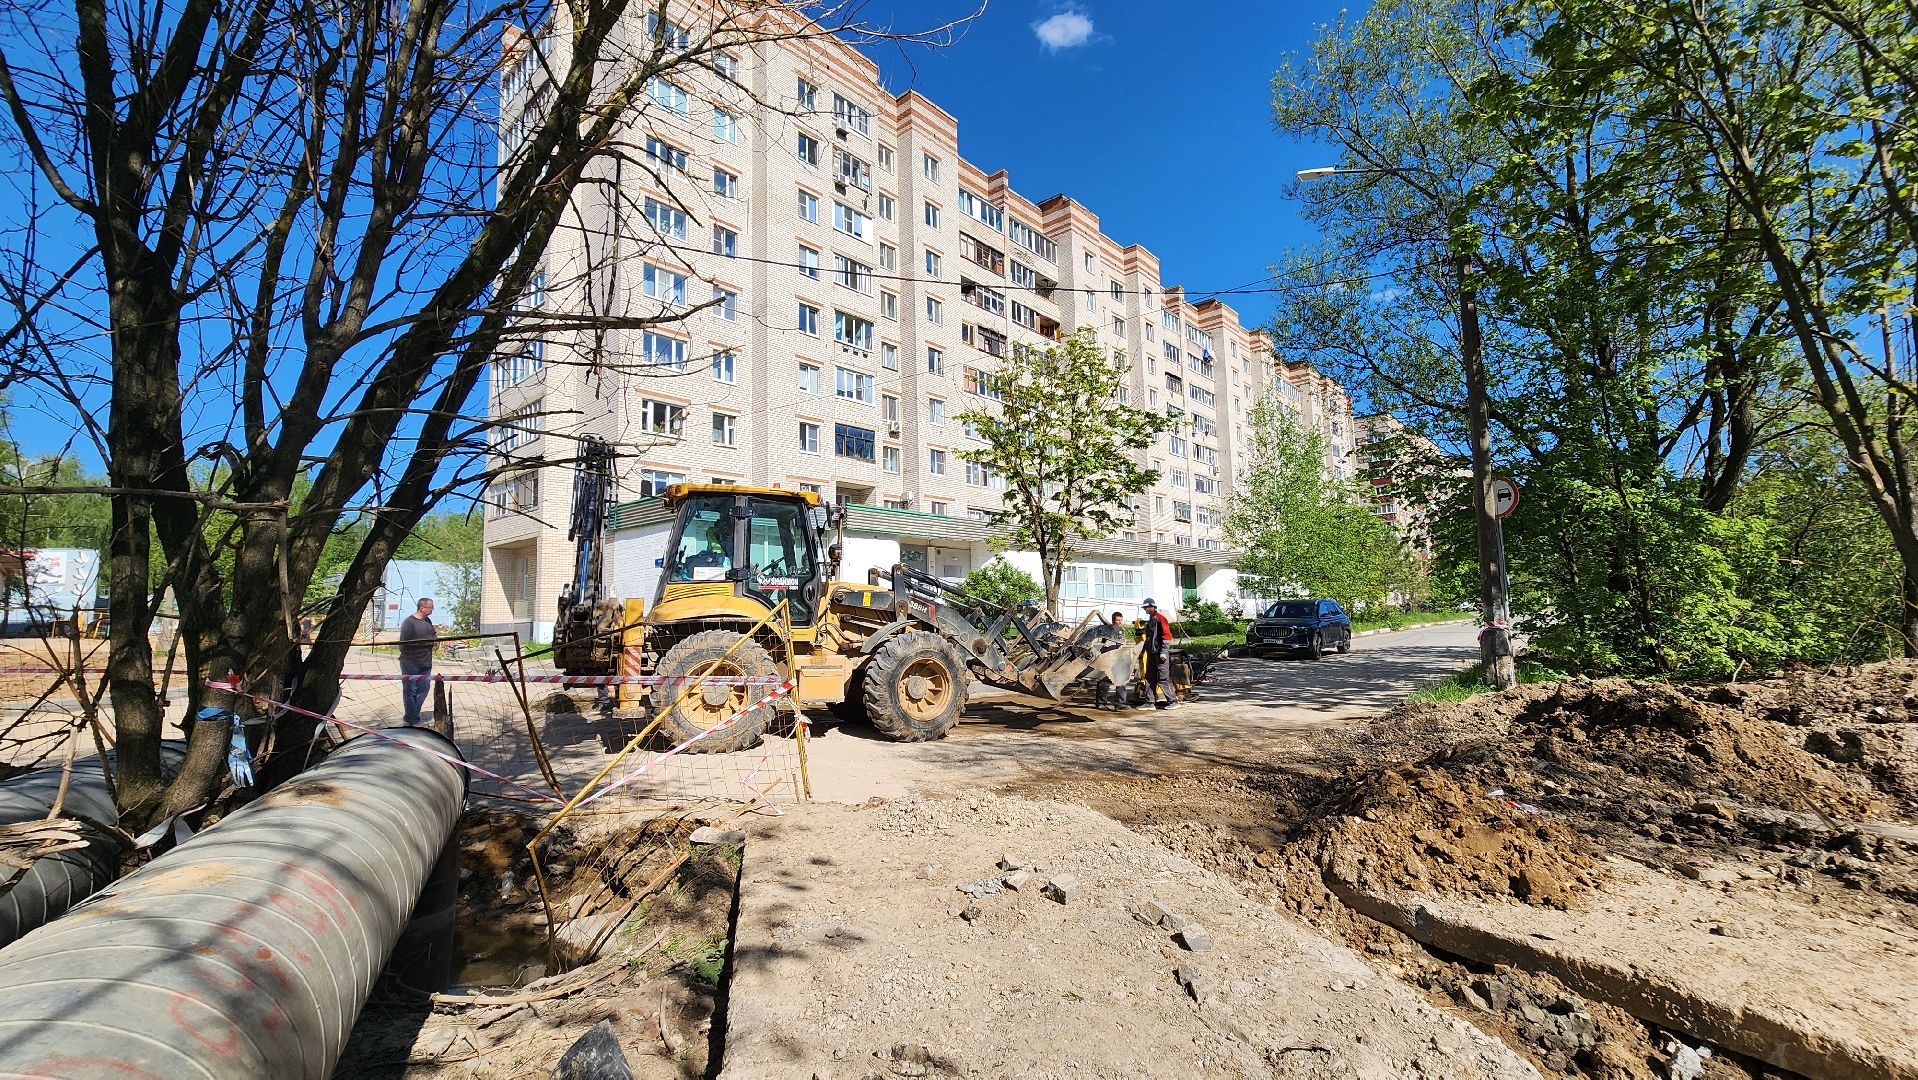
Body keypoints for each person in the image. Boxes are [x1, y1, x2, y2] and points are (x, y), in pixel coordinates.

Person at [398, 597, 436, 726]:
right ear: (422, 608)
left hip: (426, 662)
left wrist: (435, 642)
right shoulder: (409, 623)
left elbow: (433, 636)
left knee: (424, 688)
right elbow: (402, 645)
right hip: (410, 662)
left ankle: (413, 713)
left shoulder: (428, 621)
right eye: (430, 607)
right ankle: (411, 719)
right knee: (410, 690)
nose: (432, 610)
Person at [1141, 598, 1178, 710]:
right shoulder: (1151, 620)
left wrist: (1163, 652)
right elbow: (1148, 639)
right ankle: (1150, 702)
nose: (1145, 609)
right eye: (1145, 607)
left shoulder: (1160, 619)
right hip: (1151, 654)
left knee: (1163, 678)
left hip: (1159, 654)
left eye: (1147, 607)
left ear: (1153, 607)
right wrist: (1143, 651)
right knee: (1149, 678)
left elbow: (1167, 636)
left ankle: (1173, 701)